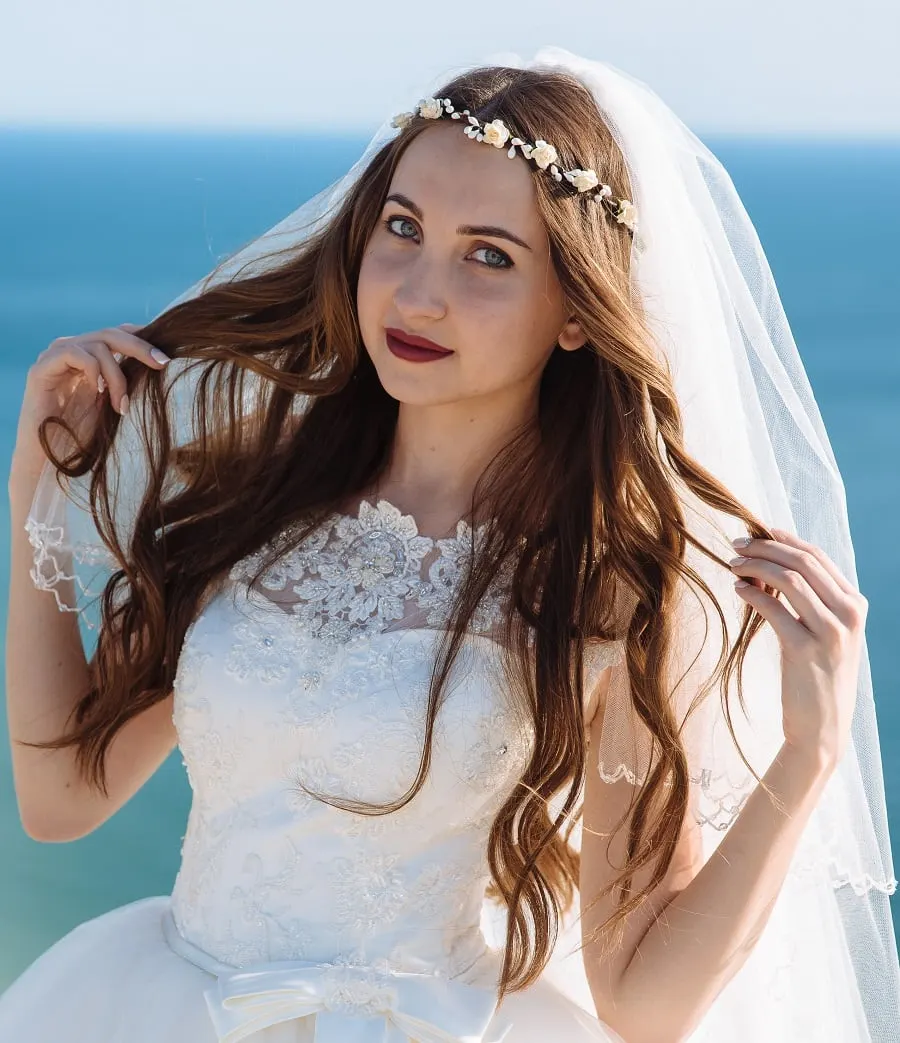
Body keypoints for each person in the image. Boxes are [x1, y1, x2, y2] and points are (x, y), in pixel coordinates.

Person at [2, 46, 898, 1043]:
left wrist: (810, 753)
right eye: (402, 229)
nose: (419, 293)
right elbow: (61, 795)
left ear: (573, 310)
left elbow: (646, 1000)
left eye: (489, 256)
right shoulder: (250, 504)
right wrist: (30, 488)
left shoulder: (600, 592)